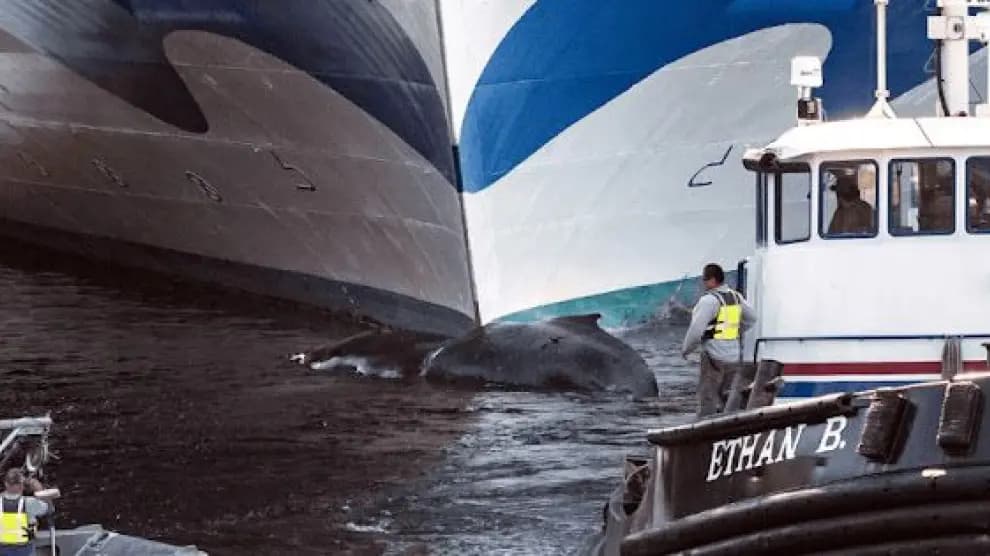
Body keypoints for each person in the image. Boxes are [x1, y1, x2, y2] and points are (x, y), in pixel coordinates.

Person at [682, 263, 757, 417]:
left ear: (712, 280)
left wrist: (686, 350)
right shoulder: (736, 297)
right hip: (733, 356)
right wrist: (736, 331)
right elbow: (752, 319)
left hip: (713, 358)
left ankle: (704, 431)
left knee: (707, 399)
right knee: (727, 398)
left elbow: (696, 332)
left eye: (705, 279)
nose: (703, 283)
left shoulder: (709, 301)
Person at [0, 468, 53, 556]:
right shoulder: (30, 503)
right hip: (25, 550)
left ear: (6, 484)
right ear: (22, 485)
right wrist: (38, 488)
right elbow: (50, 509)